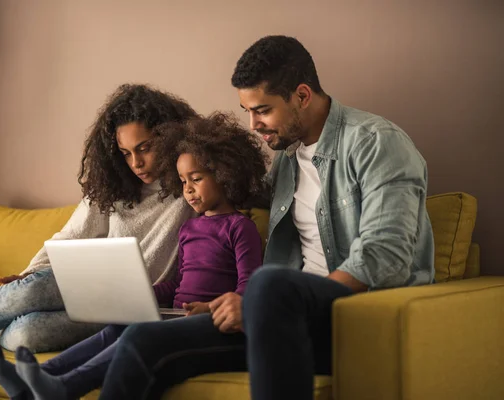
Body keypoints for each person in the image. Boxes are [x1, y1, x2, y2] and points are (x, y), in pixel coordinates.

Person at [96, 35, 435, 400]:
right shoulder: (288, 161)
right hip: (279, 320)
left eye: (263, 110)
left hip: (351, 319)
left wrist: (260, 302)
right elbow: (222, 190)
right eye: (248, 112)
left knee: (270, 283)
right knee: (143, 338)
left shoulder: (376, 142)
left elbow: (386, 253)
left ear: (302, 96)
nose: (254, 124)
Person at [0, 84, 201, 390]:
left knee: (27, 336)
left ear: (169, 137)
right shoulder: (114, 187)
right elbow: (70, 236)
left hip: (137, 312)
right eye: (125, 153)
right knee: (25, 291)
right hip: (92, 287)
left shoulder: (192, 184)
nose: (136, 163)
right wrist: (29, 274)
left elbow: (243, 186)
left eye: (145, 148)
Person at [0, 112, 268, 400]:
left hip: (211, 321)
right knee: (117, 327)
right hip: (175, 315)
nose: (188, 190)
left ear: (225, 175)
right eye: (182, 181)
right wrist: (138, 294)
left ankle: (61, 387)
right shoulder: (189, 228)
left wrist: (210, 308)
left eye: (196, 179)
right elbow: (179, 282)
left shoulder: (240, 228)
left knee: (136, 335)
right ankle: (41, 376)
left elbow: (248, 289)